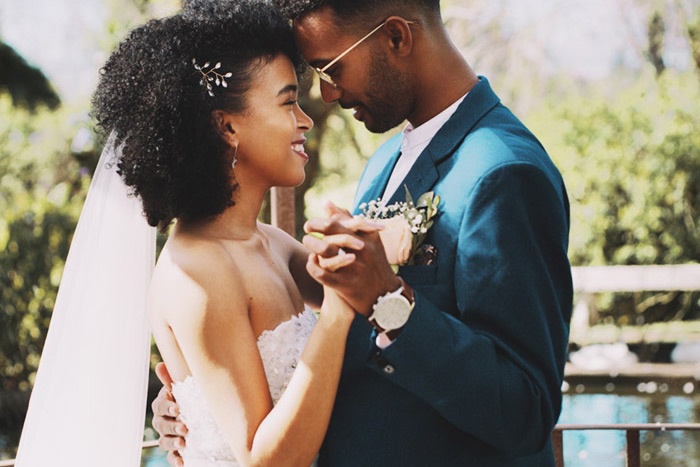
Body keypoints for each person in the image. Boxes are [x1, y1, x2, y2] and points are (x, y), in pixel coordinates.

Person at [153, 0, 573, 465]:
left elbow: (526, 410)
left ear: (396, 37)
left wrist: (392, 302)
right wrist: (202, 405)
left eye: (330, 69)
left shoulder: (503, 173)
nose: (327, 95)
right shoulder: (384, 162)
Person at [16, 2, 365, 466]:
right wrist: (337, 315)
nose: (304, 120)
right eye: (288, 101)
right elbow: (267, 459)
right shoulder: (195, 275)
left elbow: (365, 301)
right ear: (226, 126)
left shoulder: (271, 243)